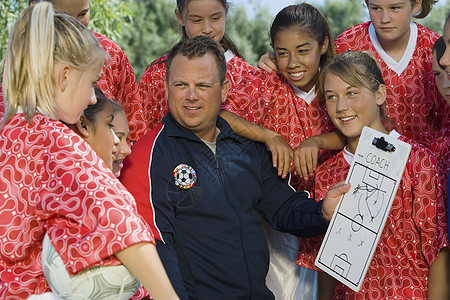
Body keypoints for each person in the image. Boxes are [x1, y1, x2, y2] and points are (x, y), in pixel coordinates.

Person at [120, 35, 351, 300]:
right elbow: (154, 251)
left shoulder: (247, 146)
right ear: (167, 87)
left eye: (203, 85)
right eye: (181, 84)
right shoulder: (145, 156)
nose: (191, 96)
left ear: (224, 89)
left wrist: (322, 211)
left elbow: (283, 209)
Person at [0, 3, 178, 299]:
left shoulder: (11, 133)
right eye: (92, 82)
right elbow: (122, 224)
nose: (93, 97)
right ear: (65, 76)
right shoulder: (56, 141)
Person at [297, 50, 449, 299]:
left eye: (352, 93)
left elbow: (437, 250)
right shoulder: (326, 174)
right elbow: (324, 264)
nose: (341, 106)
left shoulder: (417, 160)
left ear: (379, 94)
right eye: (332, 97)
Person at [221, 4, 344, 298]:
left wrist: (316, 141)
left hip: (336, 222)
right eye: (282, 52)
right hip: (278, 232)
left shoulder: (338, 82)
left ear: (323, 45)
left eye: (303, 50)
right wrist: (269, 136)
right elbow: (222, 116)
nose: (292, 62)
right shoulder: (266, 83)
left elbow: (362, 130)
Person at [0, 0, 148, 141]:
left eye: (83, 14)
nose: (75, 25)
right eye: (62, 18)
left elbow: (134, 129)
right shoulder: (25, 57)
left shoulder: (112, 54)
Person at [138, 0, 253, 132]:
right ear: (180, 17)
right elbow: (143, 136)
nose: (207, 29)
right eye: (197, 20)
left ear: (226, 12)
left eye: (215, 18)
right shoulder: (155, 75)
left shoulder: (246, 76)